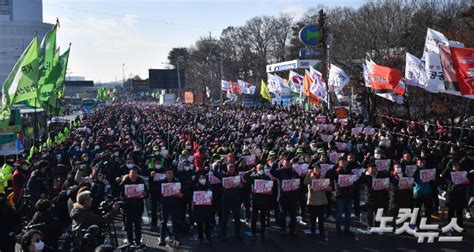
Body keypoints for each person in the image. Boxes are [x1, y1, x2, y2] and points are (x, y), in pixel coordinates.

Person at [270, 154, 300, 237]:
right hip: (283, 197)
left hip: (292, 197)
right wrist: (276, 162)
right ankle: (283, 230)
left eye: (288, 162)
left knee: (293, 215)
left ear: (290, 163)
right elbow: (272, 171)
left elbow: (298, 183)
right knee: (282, 214)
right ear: (282, 163)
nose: (286, 164)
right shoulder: (280, 171)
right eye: (285, 162)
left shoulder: (294, 173)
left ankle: (292, 229)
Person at [213, 163, 243, 241]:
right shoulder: (224, 176)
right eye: (230, 167)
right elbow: (215, 173)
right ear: (227, 168)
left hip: (236, 199)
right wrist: (217, 165)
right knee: (224, 217)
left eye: (233, 167)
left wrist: (241, 185)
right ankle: (223, 234)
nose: (231, 168)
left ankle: (238, 234)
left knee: (237, 217)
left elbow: (243, 185)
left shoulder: (237, 177)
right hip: (226, 199)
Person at [243, 163, 273, 240]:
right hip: (255, 201)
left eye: (262, 168)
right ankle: (253, 233)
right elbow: (244, 177)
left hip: (264, 201)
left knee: (263, 218)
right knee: (254, 218)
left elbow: (270, 188)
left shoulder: (267, 178)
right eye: (259, 168)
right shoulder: (253, 177)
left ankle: (263, 233)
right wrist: (250, 171)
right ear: (256, 169)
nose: (261, 169)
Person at [120, 166, 148, 247]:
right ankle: (130, 241)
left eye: (135, 173)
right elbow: (120, 193)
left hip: (138, 206)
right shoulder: (125, 181)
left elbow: (146, 193)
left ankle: (138, 240)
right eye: (131, 173)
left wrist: (145, 194)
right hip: (128, 206)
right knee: (129, 226)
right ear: (129, 173)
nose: (133, 175)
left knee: (138, 225)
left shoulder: (141, 181)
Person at [158, 168, 183, 246]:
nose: (170, 174)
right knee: (163, 222)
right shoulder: (161, 182)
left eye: (171, 173)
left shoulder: (177, 182)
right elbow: (156, 192)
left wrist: (181, 195)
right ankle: (162, 240)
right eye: (168, 173)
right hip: (164, 204)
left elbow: (182, 192)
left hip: (174, 204)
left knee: (175, 221)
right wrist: (160, 195)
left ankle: (177, 239)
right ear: (165, 174)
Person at [440, 160, 468, 228]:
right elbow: (441, 175)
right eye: (454, 166)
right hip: (451, 193)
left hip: (460, 193)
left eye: (458, 165)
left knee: (459, 210)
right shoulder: (449, 173)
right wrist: (447, 167)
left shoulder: (462, 173)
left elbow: (467, 181)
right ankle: (450, 224)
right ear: (452, 167)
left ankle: (460, 225)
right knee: (451, 211)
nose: (456, 167)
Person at [304, 164, 328, 239]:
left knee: (321, 218)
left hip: (321, 199)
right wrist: (308, 173)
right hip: (313, 200)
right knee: (313, 218)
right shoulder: (310, 176)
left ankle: (321, 232)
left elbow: (326, 186)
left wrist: (327, 187)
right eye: (315, 168)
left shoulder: (322, 176)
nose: (316, 169)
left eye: (318, 168)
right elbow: (305, 182)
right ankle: (313, 231)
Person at [192, 173, 213, 244]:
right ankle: (200, 237)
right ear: (198, 179)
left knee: (207, 223)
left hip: (207, 208)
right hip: (198, 208)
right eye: (201, 178)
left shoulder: (209, 186)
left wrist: (211, 198)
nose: (203, 180)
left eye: (204, 178)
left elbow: (212, 195)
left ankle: (208, 237)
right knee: (199, 223)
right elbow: (192, 197)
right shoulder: (195, 186)